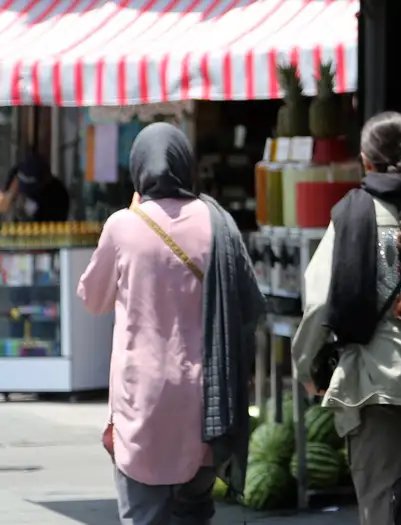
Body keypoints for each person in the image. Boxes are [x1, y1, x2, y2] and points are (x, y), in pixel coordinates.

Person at [77, 122, 265, 525]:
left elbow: (92, 300)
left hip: (141, 403)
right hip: (205, 403)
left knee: (143, 515)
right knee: (194, 513)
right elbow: (250, 303)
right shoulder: (218, 223)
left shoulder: (123, 225)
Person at [291, 111, 401, 525]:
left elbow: (317, 306)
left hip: (372, 387)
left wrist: (307, 367)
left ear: (365, 161)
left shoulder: (352, 214)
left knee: (380, 510)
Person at [1, 152, 70, 221]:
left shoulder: (59, 196)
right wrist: (9, 195)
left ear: (47, 179)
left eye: (30, 188)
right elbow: (3, 203)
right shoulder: (15, 176)